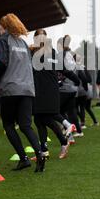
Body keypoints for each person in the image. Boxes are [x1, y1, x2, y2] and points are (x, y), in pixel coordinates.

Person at [0, 13, 45, 172]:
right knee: (26, 125)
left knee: (8, 125)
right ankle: (40, 154)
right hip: (27, 89)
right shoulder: (23, 43)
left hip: (11, 88)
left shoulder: (1, 41)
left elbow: (1, 63)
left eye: (0, 27)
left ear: (4, 27)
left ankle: (23, 158)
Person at [31, 29, 79, 159]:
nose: (41, 39)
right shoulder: (34, 52)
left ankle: (65, 130)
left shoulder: (50, 52)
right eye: (39, 37)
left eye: (43, 37)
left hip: (49, 90)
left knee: (46, 117)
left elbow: (63, 69)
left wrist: (77, 79)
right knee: (40, 120)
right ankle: (48, 149)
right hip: (38, 91)